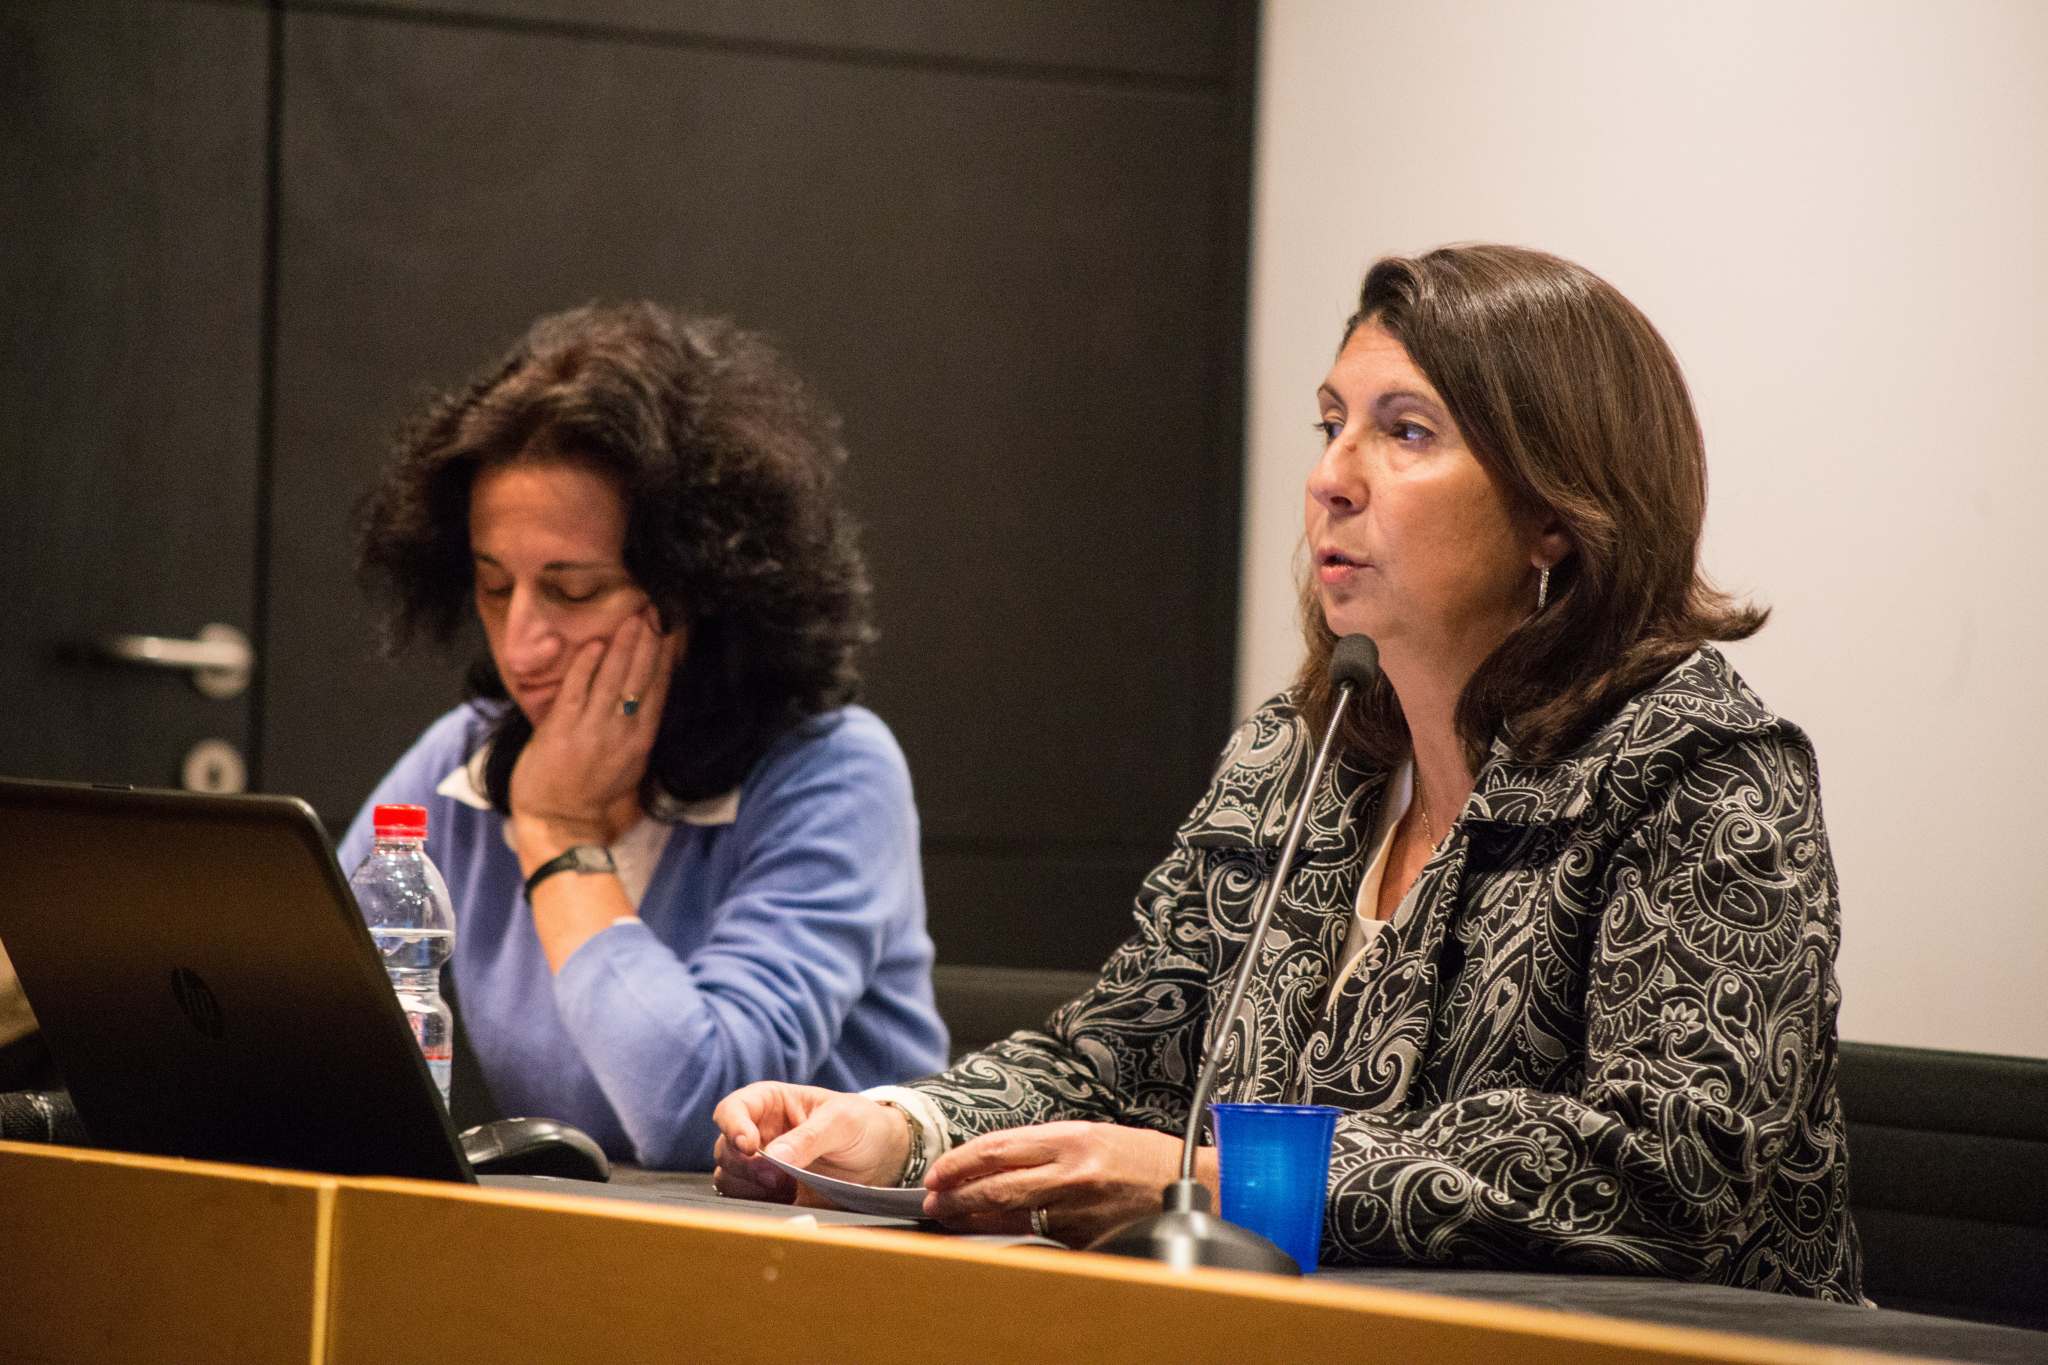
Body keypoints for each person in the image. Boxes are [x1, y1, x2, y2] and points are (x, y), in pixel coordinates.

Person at [712, 244, 1863, 1301]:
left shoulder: (1699, 770)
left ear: (1553, 513)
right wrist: (898, 1130)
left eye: (1404, 432)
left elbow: (1666, 1170)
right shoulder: (1300, 752)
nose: (1330, 478)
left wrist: (1217, 1186)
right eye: (1329, 424)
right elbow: (1122, 1058)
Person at [342, 301, 949, 1170]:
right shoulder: (462, 759)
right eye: (493, 586)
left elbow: (705, 1114)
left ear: (697, 590)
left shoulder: (835, 771)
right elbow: (289, 1007)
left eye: (574, 591)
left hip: (803, 1245)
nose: (522, 645)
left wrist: (557, 831)